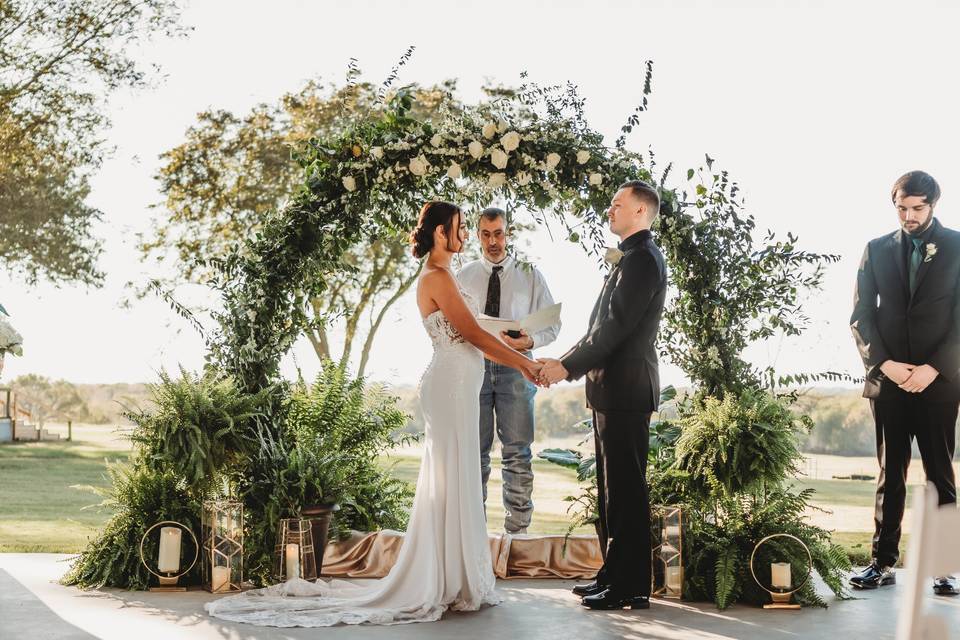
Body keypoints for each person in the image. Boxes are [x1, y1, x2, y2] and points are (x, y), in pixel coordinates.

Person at [206, 201, 543, 627]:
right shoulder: (438, 277)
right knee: (454, 471)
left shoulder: (447, 276)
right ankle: (444, 577)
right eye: (459, 228)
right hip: (450, 386)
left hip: (459, 384)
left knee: (458, 473)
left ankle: (458, 575)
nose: (463, 236)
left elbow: (476, 331)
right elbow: (472, 333)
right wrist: (525, 363)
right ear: (441, 233)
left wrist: (521, 350)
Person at [539, 180, 667, 611]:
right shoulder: (630, 259)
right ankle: (614, 573)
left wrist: (565, 367)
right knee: (612, 491)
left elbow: (614, 329)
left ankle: (632, 586)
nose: (609, 210)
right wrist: (568, 361)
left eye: (617, 204)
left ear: (641, 212)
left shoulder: (643, 261)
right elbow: (600, 330)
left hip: (627, 390)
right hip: (611, 390)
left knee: (627, 491)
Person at [849, 170, 960, 596]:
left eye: (917, 208)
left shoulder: (956, 247)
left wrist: (934, 368)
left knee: (940, 475)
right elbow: (861, 316)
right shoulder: (875, 249)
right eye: (901, 208)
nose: (908, 216)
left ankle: (944, 567)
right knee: (888, 472)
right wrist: (884, 364)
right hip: (889, 380)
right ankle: (881, 563)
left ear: (933, 205)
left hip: (940, 381)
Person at [456, 207, 561, 534]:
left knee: (518, 451)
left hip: (517, 370)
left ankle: (518, 532)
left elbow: (552, 324)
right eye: (485, 235)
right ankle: (476, 534)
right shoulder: (464, 275)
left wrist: (530, 340)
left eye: (498, 233)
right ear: (477, 236)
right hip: (474, 368)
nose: (492, 242)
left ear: (508, 234)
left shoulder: (531, 275)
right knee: (475, 453)